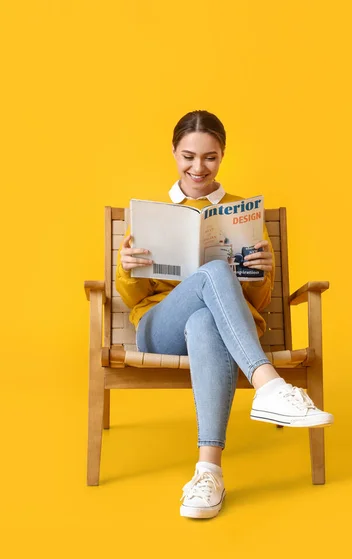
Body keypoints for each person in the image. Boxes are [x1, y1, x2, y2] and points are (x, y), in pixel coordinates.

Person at [116, 110, 334, 520]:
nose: (199, 167)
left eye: (210, 157)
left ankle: (208, 473)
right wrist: (126, 268)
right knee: (212, 274)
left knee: (205, 320)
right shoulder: (150, 215)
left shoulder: (242, 213)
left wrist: (261, 272)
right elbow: (133, 299)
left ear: (223, 155)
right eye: (188, 156)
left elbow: (257, 300)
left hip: (216, 331)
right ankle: (269, 384)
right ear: (174, 153)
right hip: (160, 328)